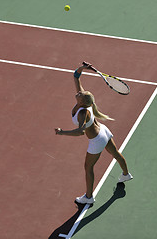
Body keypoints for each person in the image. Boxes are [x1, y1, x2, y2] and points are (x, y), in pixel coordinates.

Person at [55, 62, 133, 204]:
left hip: (97, 140)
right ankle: (126, 174)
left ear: (83, 101)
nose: (78, 92)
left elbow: (80, 132)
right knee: (115, 153)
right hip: (103, 131)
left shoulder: (82, 112)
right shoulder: (85, 102)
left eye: (81, 94)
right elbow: (76, 77)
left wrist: (62, 132)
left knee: (88, 167)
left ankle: (89, 197)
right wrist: (82, 68)